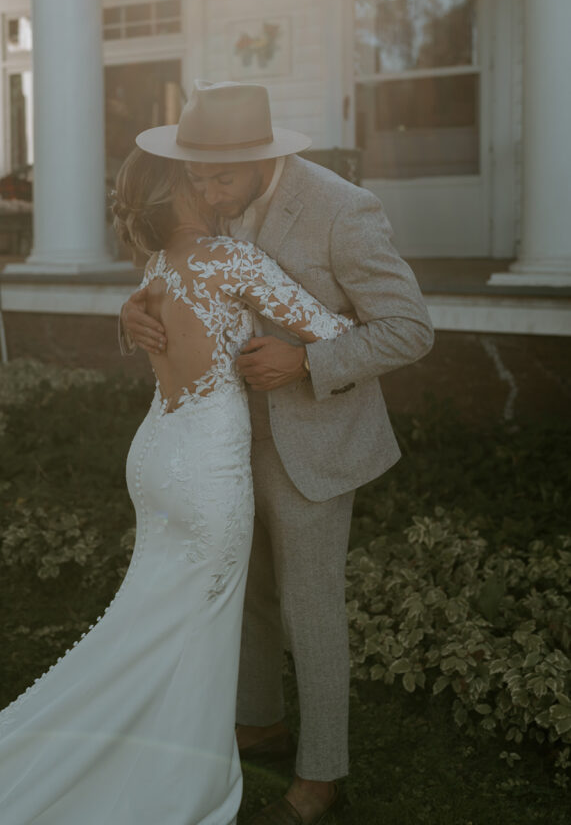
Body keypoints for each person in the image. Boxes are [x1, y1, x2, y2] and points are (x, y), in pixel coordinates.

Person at [0, 86, 357, 825]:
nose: (208, 186)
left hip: (157, 452)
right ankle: (181, 772)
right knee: (196, 623)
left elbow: (172, 324)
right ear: (181, 193)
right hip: (206, 465)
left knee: (147, 622)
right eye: (196, 178)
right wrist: (300, 338)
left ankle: (171, 735)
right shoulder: (232, 260)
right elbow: (330, 328)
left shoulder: (157, 268)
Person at [121, 79, 435, 825]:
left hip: (316, 439)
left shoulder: (340, 208)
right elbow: (190, 293)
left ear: (265, 158)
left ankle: (322, 776)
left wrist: (305, 365)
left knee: (308, 609)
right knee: (246, 594)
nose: (207, 190)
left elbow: (409, 328)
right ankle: (258, 723)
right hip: (222, 444)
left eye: (221, 175)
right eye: (195, 176)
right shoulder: (203, 209)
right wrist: (134, 317)